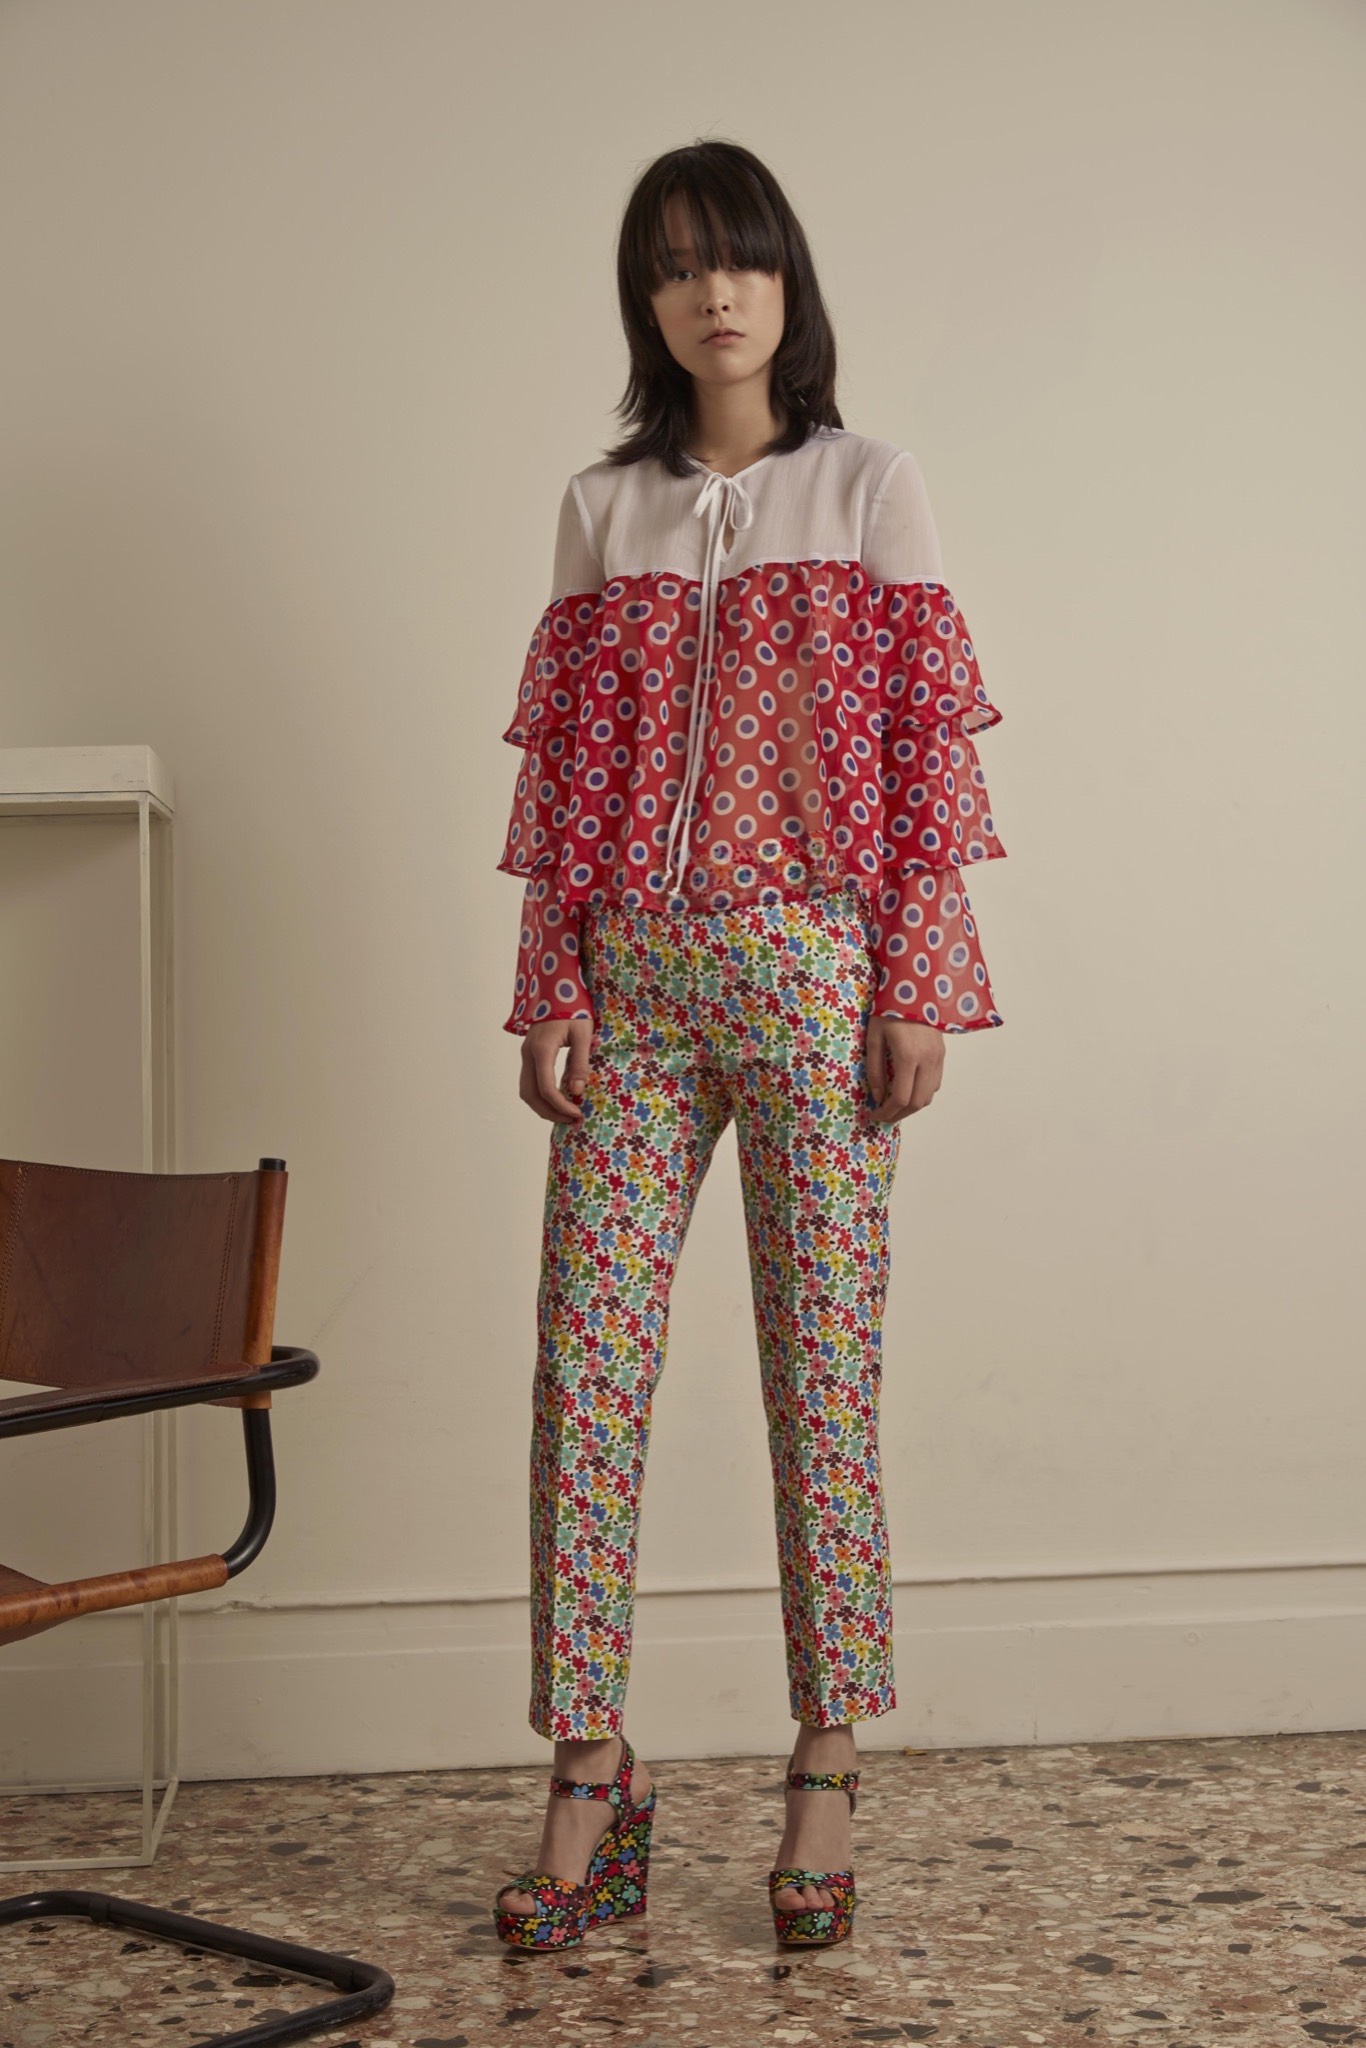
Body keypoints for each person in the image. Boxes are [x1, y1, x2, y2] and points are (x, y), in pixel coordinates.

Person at [490, 139, 1007, 1954]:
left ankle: (825, 1765)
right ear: (643, 301)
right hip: (631, 987)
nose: (714, 293)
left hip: (811, 976)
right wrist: (549, 976)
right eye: (676, 265)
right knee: (586, 1372)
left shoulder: (869, 485)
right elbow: (568, 773)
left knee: (821, 1377)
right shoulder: (602, 506)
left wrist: (914, 971)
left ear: (789, 284)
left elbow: (922, 745)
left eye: (742, 259)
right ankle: (589, 1771)